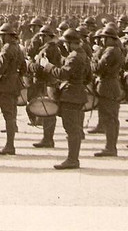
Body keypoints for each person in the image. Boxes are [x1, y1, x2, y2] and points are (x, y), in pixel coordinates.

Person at [41, 28, 92, 169]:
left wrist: (48, 66)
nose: (64, 45)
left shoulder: (74, 56)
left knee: (71, 129)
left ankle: (72, 160)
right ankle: (73, 159)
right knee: (74, 128)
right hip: (78, 93)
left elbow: (63, 74)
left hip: (71, 96)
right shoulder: (83, 54)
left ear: (70, 43)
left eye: (65, 43)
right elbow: (88, 77)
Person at [0, 23, 25, 155]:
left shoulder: (6, 48)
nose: (0, 38)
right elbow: (24, 68)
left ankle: (9, 146)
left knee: (8, 116)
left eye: (2, 36)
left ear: (7, 36)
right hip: (15, 84)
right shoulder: (18, 48)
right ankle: (10, 145)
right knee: (11, 114)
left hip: (5, 85)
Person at [90, 25, 124, 157]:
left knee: (109, 118)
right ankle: (111, 146)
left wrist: (94, 58)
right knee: (112, 118)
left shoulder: (110, 51)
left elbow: (98, 68)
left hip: (107, 86)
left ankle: (110, 147)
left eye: (104, 38)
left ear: (110, 39)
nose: (102, 40)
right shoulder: (117, 50)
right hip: (112, 85)